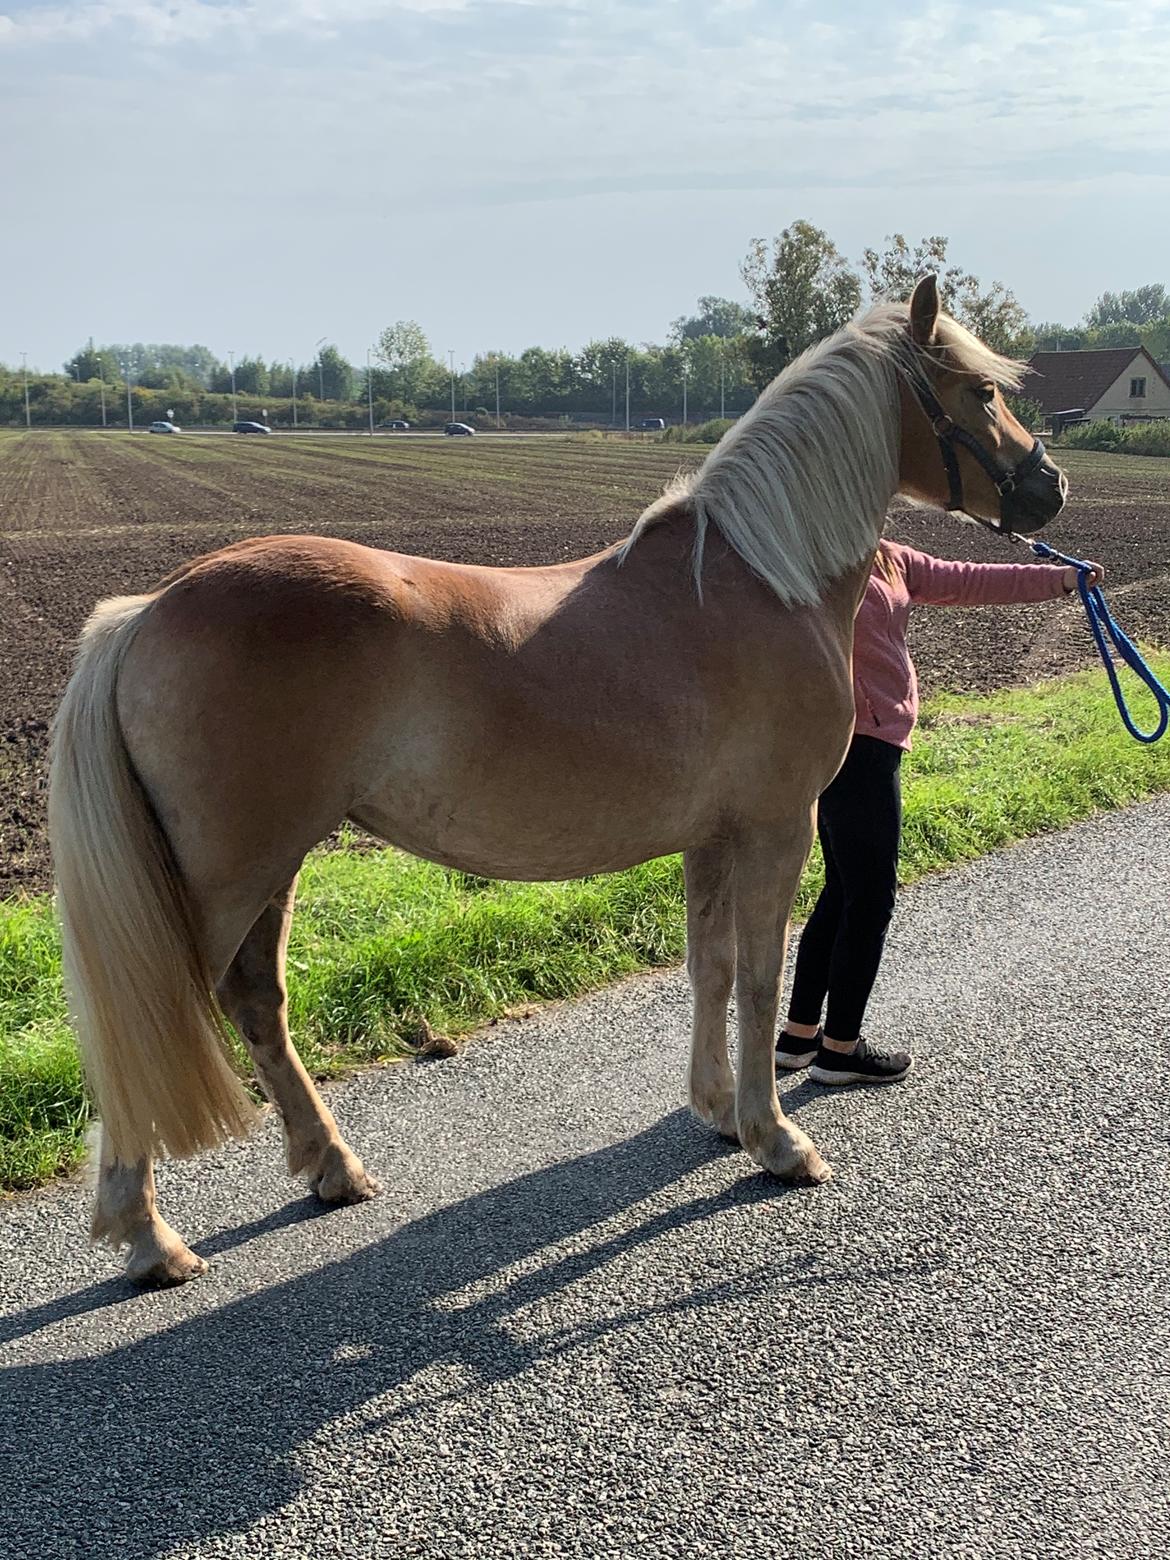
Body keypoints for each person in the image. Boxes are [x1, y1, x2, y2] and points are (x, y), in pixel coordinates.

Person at [776, 537, 1102, 1086]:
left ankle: (799, 1036)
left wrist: (1062, 580)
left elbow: (966, 578)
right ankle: (840, 1050)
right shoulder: (812, 552)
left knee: (844, 890)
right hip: (854, 741)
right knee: (871, 897)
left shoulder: (886, 555)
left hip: (860, 739)